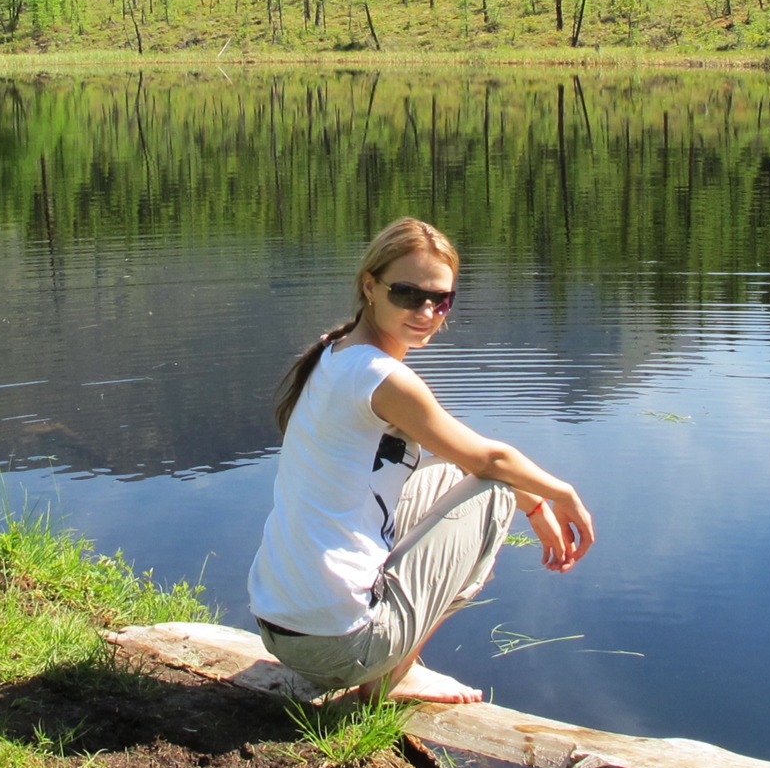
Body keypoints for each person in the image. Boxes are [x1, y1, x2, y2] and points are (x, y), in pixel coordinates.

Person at [247, 217, 595, 703]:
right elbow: (493, 458)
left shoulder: (336, 350)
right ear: (371, 286)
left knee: (457, 473)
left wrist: (532, 504)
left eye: (441, 299)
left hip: (281, 627)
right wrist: (559, 494)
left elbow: (466, 458)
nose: (427, 311)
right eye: (408, 294)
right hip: (338, 648)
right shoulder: (383, 377)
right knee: (493, 493)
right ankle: (388, 680)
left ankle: (388, 650)